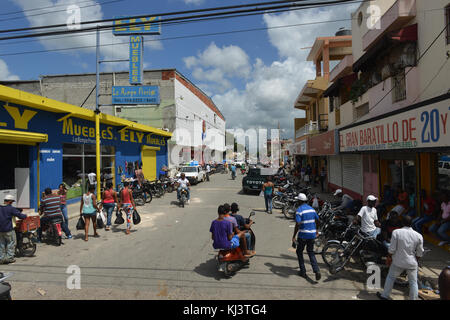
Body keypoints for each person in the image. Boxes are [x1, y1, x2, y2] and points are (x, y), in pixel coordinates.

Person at [377, 216, 424, 300]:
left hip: (398, 261)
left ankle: (385, 296)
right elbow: (420, 253)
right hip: (412, 262)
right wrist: (415, 261)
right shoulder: (418, 236)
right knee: (413, 282)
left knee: (391, 277)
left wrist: (389, 258)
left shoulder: (396, 232)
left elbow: (392, 249)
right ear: (411, 224)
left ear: (402, 223)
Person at [292, 193, 321, 280]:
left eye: (297, 200)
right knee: (310, 252)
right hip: (312, 235)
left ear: (299, 201)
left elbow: (298, 224)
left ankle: (303, 271)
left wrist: (293, 236)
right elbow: (318, 220)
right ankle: (316, 270)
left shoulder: (299, 210)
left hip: (303, 235)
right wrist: (316, 230)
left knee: (299, 252)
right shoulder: (312, 209)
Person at [0, 195, 27, 264]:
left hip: (0, 230)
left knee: (1, 244)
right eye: (12, 202)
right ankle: (10, 258)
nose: (12, 203)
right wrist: (25, 215)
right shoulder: (10, 208)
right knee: (11, 243)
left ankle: (1, 258)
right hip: (8, 229)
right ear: (9, 201)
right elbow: (20, 215)